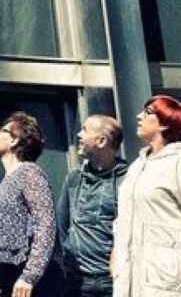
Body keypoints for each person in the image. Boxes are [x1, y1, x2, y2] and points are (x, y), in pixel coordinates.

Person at [112, 94, 181, 297]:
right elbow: (123, 218)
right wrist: (115, 258)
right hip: (130, 275)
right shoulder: (137, 166)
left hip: (168, 275)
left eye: (148, 112)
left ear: (165, 124)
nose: (138, 116)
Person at [0, 112, 60, 297]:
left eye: (3, 131)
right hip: (7, 277)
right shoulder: (8, 180)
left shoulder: (29, 173)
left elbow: (46, 224)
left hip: (25, 281)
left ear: (14, 141)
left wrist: (30, 275)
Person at [56, 114, 127, 297]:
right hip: (76, 281)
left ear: (101, 141)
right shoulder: (74, 178)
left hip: (112, 281)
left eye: (85, 130)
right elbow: (62, 224)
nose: (79, 134)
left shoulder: (127, 180)